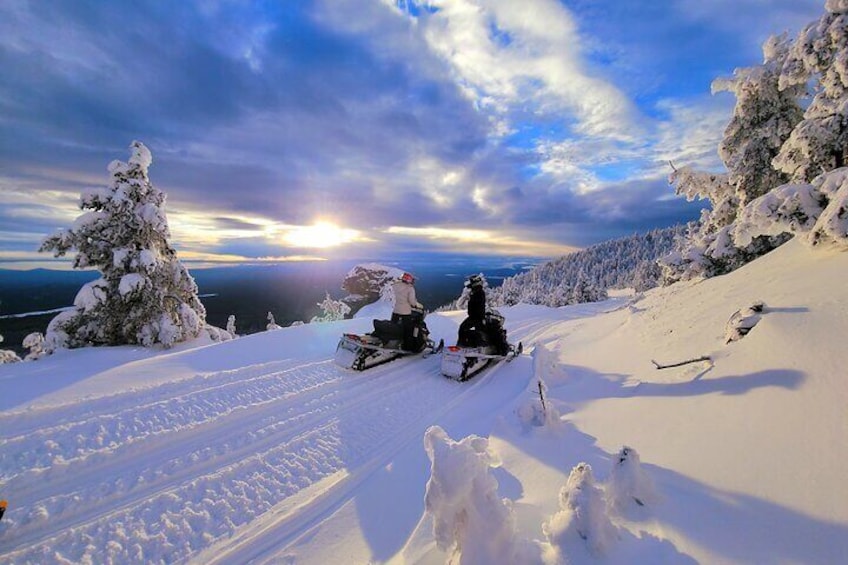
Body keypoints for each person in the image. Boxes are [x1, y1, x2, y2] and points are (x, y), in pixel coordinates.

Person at [392, 272, 423, 350]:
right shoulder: (410, 288)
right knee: (408, 331)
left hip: (396, 311)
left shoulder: (396, 285)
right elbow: (412, 301)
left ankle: (393, 343)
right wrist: (416, 305)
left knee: (393, 328)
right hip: (405, 312)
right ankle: (407, 347)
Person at [458, 274, 486, 346]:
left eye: (471, 282)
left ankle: (463, 345)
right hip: (475, 316)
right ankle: (466, 344)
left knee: (463, 328)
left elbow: (477, 306)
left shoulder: (478, 292)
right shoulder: (476, 291)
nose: (470, 284)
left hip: (476, 317)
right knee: (464, 328)